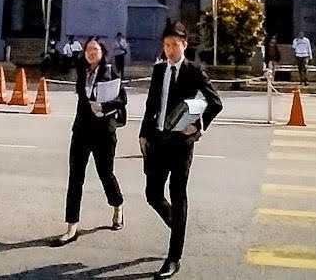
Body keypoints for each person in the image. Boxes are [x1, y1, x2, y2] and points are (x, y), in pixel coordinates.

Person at [139, 20, 223, 279]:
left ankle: (174, 257)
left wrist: (196, 127)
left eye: (174, 45)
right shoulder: (159, 70)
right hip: (157, 140)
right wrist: (143, 133)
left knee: (178, 194)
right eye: (166, 45)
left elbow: (215, 103)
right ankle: (177, 224)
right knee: (152, 193)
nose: (170, 50)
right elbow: (151, 104)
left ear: (184, 45)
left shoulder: (193, 71)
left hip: (180, 144)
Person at [51, 38, 127, 245]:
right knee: (75, 178)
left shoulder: (111, 72)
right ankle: (71, 226)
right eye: (88, 50)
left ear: (102, 52)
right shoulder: (82, 71)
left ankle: (117, 205)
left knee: (106, 174)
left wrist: (103, 107)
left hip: (104, 133)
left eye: (95, 49)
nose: (91, 53)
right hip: (81, 131)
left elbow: (122, 100)